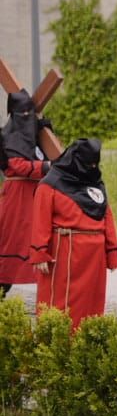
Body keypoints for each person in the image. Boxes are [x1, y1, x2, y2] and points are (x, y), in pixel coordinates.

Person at [29, 138, 117, 327]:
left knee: (92, 301)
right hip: (66, 251)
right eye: (88, 164)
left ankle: (86, 340)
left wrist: (111, 253)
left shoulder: (95, 183)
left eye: (94, 163)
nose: (92, 167)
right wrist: (39, 252)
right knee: (61, 301)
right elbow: (40, 218)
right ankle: (59, 341)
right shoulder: (50, 184)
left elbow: (106, 216)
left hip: (94, 256)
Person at [0, 90, 50, 295]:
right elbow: (17, 165)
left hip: (36, 195)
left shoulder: (33, 137)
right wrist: (44, 167)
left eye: (30, 113)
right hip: (16, 196)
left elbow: (44, 155)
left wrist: (45, 133)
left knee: (38, 239)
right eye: (23, 113)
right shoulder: (8, 137)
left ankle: (48, 295)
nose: (27, 117)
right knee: (12, 239)